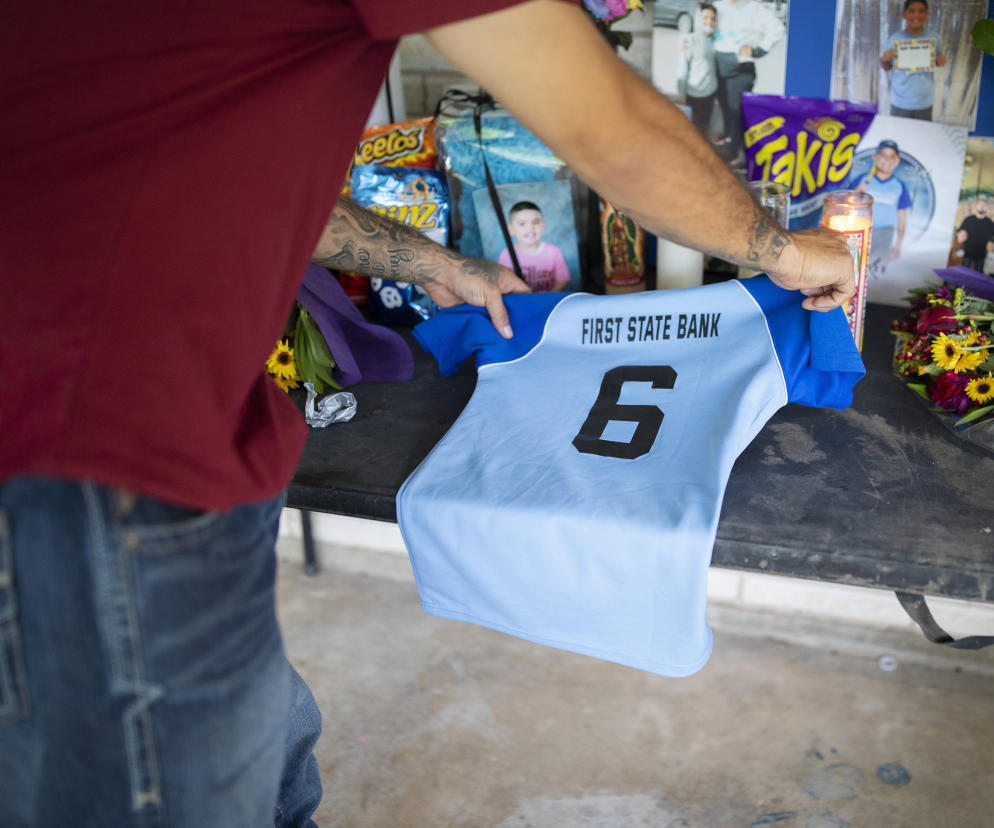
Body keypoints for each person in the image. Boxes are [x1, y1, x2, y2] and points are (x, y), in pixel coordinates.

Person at [1, 2, 855, 825]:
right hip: (84, 436)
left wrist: (431, 263)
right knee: (167, 781)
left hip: (165, 409)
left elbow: (235, 176)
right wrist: (778, 251)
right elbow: (609, 129)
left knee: (262, 742)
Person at [713, 0, 786, 164]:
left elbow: (777, 29)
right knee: (724, 107)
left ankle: (734, 155)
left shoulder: (754, 8)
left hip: (740, 68)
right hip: (718, 64)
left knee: (735, 111)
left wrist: (758, 50)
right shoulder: (719, 6)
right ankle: (728, 139)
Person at [846, 139, 913, 279]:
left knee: (876, 272)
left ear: (897, 161)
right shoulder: (862, 179)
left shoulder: (899, 186)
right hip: (861, 231)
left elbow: (902, 218)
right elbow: (846, 205)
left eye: (892, 156)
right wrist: (858, 191)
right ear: (875, 158)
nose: (887, 160)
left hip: (885, 233)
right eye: (883, 155)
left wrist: (898, 245)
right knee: (854, 270)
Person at [880, 0, 945, 121]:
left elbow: (939, 61)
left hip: (924, 101)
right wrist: (884, 59)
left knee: (921, 137)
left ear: (926, 14)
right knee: (899, 136)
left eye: (921, 11)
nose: (916, 15)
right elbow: (887, 67)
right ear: (904, 14)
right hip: (900, 101)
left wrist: (940, 61)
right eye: (912, 11)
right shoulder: (895, 38)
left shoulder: (934, 38)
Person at [497, 201, 571, 292]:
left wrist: (547, 299)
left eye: (535, 222)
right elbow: (503, 284)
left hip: (548, 300)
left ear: (543, 225)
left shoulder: (554, 252)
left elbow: (562, 280)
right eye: (522, 224)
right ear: (511, 229)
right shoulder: (506, 255)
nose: (530, 228)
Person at [677, 3, 719, 140]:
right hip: (693, 95)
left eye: (713, 19)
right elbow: (682, 68)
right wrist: (681, 94)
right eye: (705, 18)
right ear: (698, 19)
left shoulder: (716, 40)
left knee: (704, 129)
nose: (709, 22)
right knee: (691, 132)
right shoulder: (689, 40)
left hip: (710, 94)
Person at [956, 199, 994, 272]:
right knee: (963, 274)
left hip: (981, 256)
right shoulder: (968, 220)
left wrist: (992, 243)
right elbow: (959, 232)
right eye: (980, 205)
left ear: (986, 208)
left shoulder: (990, 223)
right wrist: (960, 236)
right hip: (967, 254)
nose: (981, 207)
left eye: (984, 206)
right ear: (976, 207)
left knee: (978, 277)